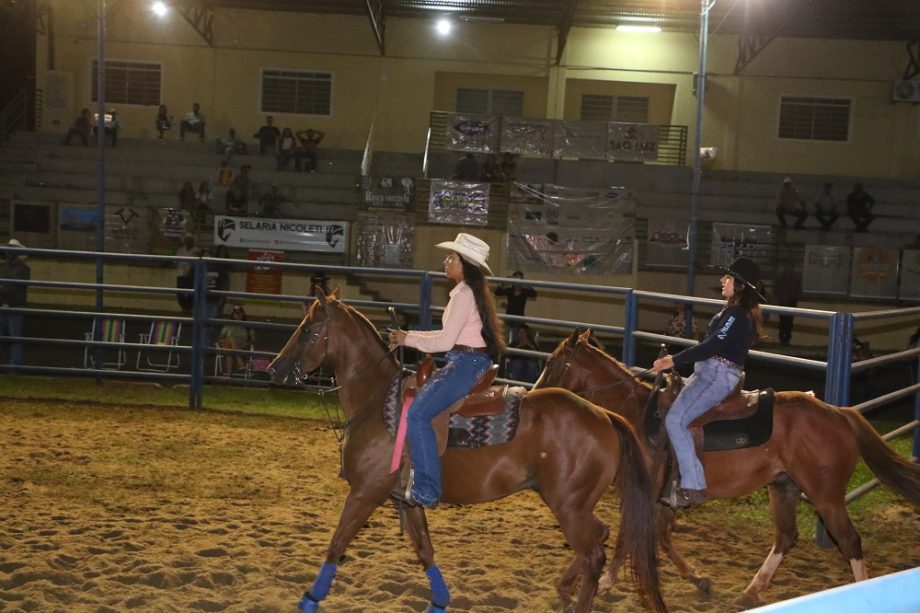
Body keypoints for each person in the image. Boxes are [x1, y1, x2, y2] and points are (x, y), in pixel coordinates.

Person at [387, 232, 505, 508]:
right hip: (467, 361)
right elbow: (445, 336)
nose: (446, 261)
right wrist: (407, 336)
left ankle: (427, 491)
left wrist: (408, 339)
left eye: (451, 257)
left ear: (463, 264)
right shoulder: (468, 293)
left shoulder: (463, 295)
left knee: (417, 414)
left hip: (465, 364)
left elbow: (444, 342)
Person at [651, 257, 765, 509]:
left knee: (675, 420)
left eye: (728, 277)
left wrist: (673, 360)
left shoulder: (736, 314)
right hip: (711, 372)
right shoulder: (735, 313)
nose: (722, 280)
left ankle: (693, 486)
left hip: (716, 375)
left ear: (739, 285)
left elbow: (712, 346)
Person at [0, 239, 31, 367]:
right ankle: (15, 363)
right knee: (14, 335)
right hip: (11, 303)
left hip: (12, 304)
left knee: (14, 336)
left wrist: (2, 291)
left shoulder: (21, 269)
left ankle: (15, 363)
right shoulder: (21, 268)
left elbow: (15, 286)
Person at [495, 270, 537, 342]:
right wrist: (505, 282)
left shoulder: (524, 292)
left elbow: (534, 294)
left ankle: (513, 349)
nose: (517, 282)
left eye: (519, 279)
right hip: (508, 318)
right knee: (504, 338)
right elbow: (497, 292)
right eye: (516, 278)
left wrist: (526, 283)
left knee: (516, 340)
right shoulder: (509, 290)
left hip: (519, 319)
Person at [217, 304, 254, 376]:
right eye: (236, 313)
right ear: (233, 314)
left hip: (241, 346)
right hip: (227, 345)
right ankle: (240, 362)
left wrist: (247, 343)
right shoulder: (228, 325)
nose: (238, 315)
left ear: (243, 314)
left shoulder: (248, 325)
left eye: (239, 313)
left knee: (230, 349)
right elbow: (220, 338)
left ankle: (229, 376)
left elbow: (253, 339)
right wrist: (223, 341)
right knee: (231, 340)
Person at [774, 260, 802, 345]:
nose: (787, 269)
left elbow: (798, 291)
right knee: (782, 321)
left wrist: (794, 298)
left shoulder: (795, 279)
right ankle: (782, 338)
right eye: (786, 267)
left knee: (789, 321)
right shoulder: (781, 279)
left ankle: (787, 338)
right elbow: (777, 290)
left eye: (789, 267)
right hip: (782, 301)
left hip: (791, 302)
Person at [175, 234, 199, 314]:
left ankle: (188, 308)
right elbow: (176, 261)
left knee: (191, 292)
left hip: (191, 275)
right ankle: (184, 306)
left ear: (192, 241)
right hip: (181, 274)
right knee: (180, 292)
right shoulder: (180, 250)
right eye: (186, 240)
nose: (187, 242)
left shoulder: (196, 251)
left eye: (189, 240)